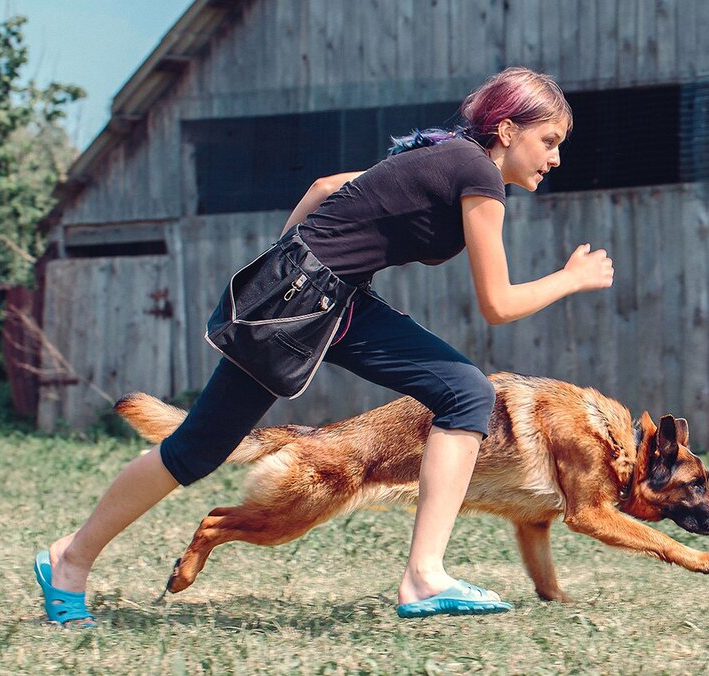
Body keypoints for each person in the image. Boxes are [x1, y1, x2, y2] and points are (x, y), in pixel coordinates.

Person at [34, 67, 615, 623]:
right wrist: (572, 278)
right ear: (508, 129)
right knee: (196, 449)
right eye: (549, 140)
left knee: (465, 393)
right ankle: (70, 559)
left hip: (329, 300)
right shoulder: (478, 173)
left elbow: (327, 188)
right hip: (307, 302)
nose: (556, 157)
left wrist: (287, 263)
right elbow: (498, 304)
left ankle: (424, 576)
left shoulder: (444, 157)